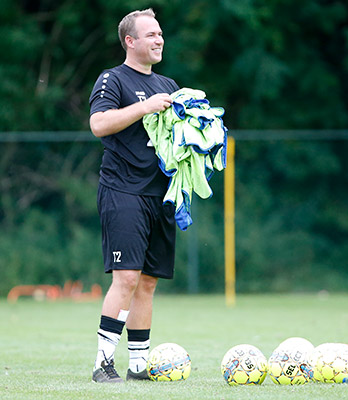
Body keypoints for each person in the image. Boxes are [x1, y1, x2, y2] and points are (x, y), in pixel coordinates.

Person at [88, 8, 179, 383]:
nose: (159, 39)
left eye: (160, 33)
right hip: (123, 189)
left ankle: (138, 366)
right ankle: (102, 364)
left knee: (148, 281)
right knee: (126, 277)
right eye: (151, 34)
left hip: (160, 194)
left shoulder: (170, 85)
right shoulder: (113, 79)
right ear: (130, 41)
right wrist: (143, 107)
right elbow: (98, 124)